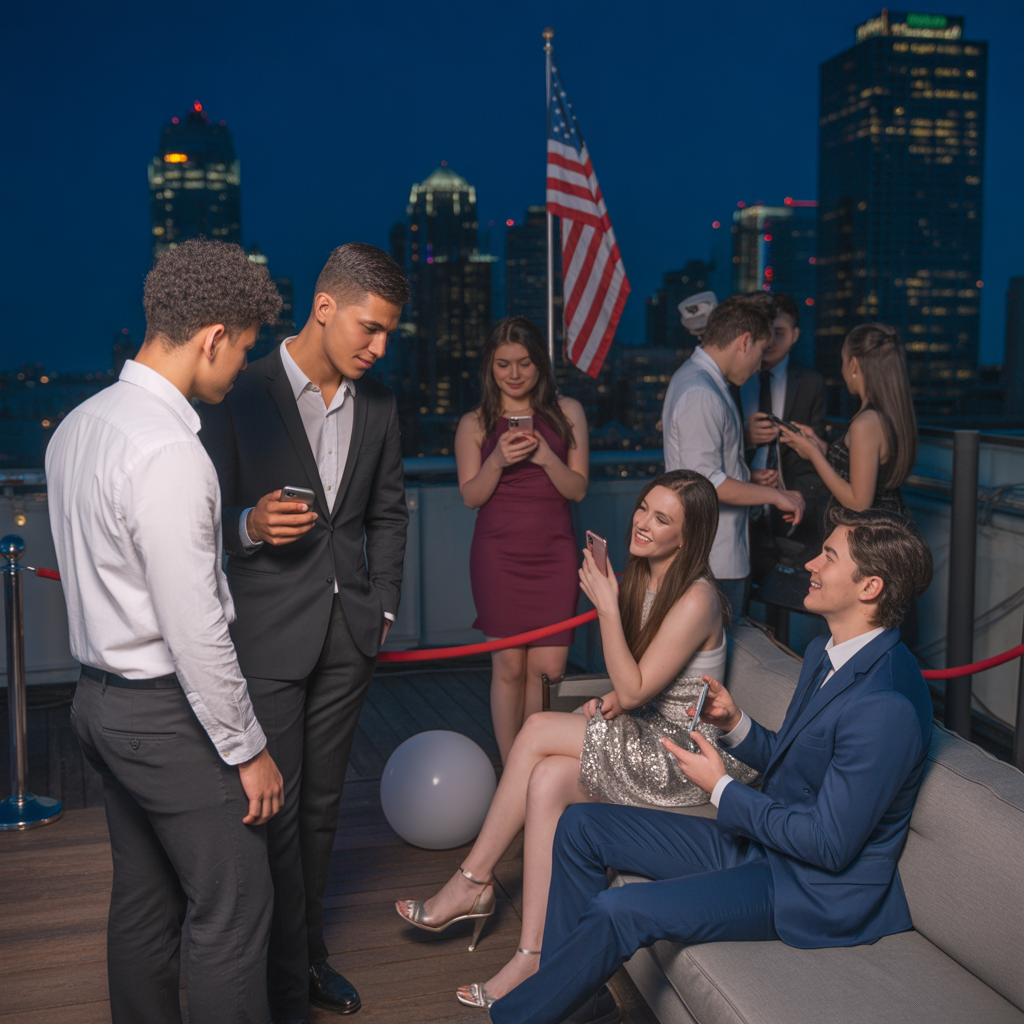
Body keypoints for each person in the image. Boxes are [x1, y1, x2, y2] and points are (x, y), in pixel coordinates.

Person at [488, 506, 934, 1024]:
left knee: (619, 909)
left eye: (829, 556)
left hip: (807, 888)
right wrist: (737, 724)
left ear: (870, 587)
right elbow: (801, 767)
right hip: (764, 845)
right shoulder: (826, 652)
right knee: (581, 825)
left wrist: (720, 788)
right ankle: (578, 1006)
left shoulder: (886, 705)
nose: (810, 563)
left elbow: (828, 846)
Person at [396, 471, 758, 1009]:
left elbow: (637, 688)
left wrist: (608, 612)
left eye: (662, 519)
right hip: (646, 731)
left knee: (537, 728)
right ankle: (533, 953)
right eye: (644, 507)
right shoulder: (645, 577)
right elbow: (643, 682)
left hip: (681, 760)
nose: (643, 522)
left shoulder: (698, 598)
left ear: (688, 538)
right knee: (546, 777)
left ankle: (473, 880)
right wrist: (612, 699)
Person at [47, 239, 284, 1024]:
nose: (242, 366)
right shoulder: (171, 451)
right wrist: (247, 749)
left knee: (145, 902)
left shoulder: (77, 427)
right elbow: (194, 629)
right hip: (164, 714)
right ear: (213, 337)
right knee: (235, 905)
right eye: (243, 348)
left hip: (97, 704)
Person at [199, 243, 410, 1023]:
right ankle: (275, 979)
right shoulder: (239, 390)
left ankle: (309, 955)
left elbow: (388, 513)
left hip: (349, 636)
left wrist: (383, 605)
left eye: (389, 334)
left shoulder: (379, 405)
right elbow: (198, 516)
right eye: (369, 327)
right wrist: (248, 525)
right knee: (273, 815)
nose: (378, 347)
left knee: (321, 810)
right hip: (266, 638)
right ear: (325, 307)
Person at [455, 316, 589, 764]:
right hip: (498, 556)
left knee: (549, 670)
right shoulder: (474, 422)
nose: (514, 374)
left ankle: (534, 765)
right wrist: (496, 460)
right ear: (489, 367)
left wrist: (546, 456)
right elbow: (471, 497)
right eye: (503, 364)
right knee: (509, 667)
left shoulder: (568, 413)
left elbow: (577, 489)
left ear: (540, 365)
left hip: (554, 555)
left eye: (525, 363)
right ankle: (514, 769)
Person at [662, 296, 805, 616]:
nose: (759, 365)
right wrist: (776, 496)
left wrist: (747, 478)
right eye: (760, 351)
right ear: (744, 342)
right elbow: (705, 481)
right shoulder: (700, 391)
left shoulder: (701, 381)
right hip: (712, 558)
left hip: (718, 554)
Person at [779, 323, 916, 516]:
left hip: (872, 530)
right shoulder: (886, 415)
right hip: (891, 522)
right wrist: (820, 447)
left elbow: (859, 504)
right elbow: (861, 467)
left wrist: (813, 454)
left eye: (843, 361)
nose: (842, 369)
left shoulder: (866, 423)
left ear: (854, 364)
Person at [740, 292, 827, 579]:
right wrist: (745, 438)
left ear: (795, 335)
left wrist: (812, 445)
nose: (771, 341)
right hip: (740, 504)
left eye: (779, 332)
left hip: (792, 512)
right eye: (766, 332)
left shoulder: (811, 383)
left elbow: (818, 450)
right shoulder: (737, 378)